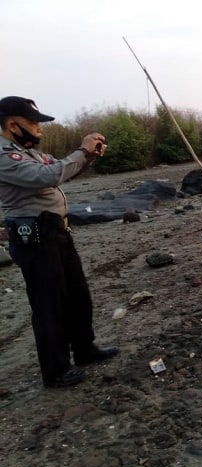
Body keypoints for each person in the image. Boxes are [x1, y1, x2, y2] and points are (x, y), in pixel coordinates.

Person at [0, 96, 118, 388]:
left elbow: (63, 169)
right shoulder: (4, 156)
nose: (39, 129)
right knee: (49, 305)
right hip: (35, 238)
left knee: (77, 295)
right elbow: (48, 176)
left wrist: (89, 156)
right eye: (34, 123)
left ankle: (84, 349)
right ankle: (55, 369)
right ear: (13, 125)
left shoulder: (27, 151)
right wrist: (82, 149)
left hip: (56, 232)